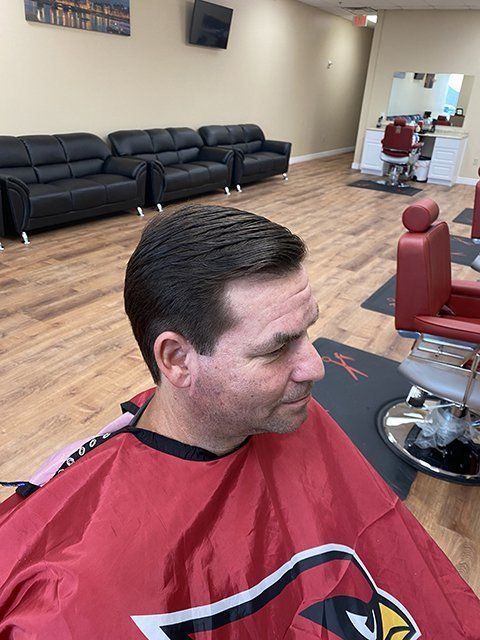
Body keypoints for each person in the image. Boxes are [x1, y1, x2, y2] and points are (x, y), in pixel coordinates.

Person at [0, 204, 479, 639]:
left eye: (308, 331)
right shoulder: (67, 585)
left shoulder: (288, 416)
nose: (315, 367)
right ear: (177, 360)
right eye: (277, 347)